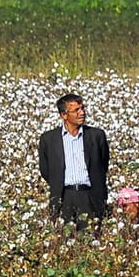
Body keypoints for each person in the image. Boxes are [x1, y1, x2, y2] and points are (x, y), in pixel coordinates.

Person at [37, 93, 110, 223]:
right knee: (64, 238)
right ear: (64, 115)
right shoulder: (48, 139)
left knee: (92, 237)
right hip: (63, 197)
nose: (82, 113)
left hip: (90, 196)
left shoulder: (96, 136)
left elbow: (102, 164)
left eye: (82, 108)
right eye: (76, 110)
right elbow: (46, 171)